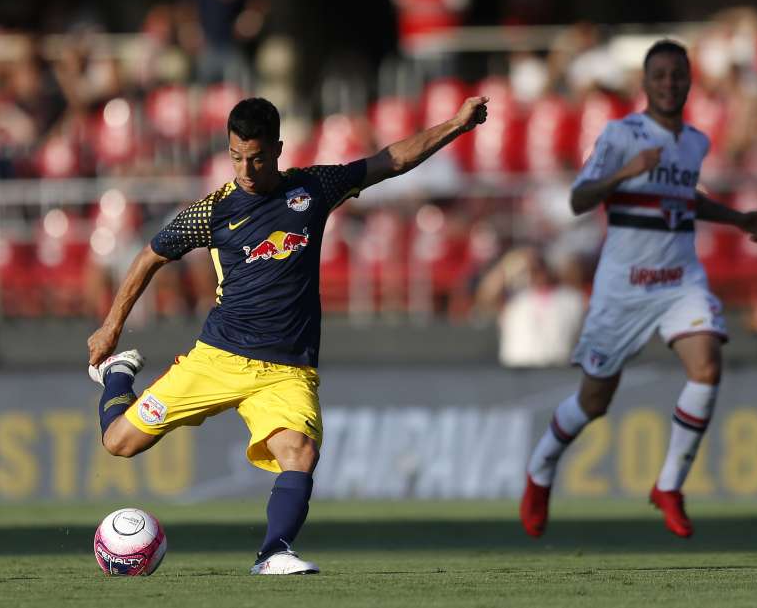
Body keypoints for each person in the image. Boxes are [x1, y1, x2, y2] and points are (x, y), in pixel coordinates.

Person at [86, 95, 489, 574]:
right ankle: (117, 375)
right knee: (119, 443)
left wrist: (457, 125)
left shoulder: (313, 189)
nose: (247, 169)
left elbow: (391, 160)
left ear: (277, 149)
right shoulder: (211, 211)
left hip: (286, 370)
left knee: (300, 453)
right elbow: (150, 255)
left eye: (256, 157)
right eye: (236, 157)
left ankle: (274, 552)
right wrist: (111, 326)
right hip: (217, 357)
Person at [519, 40, 757, 539]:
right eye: (659, 75)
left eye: (678, 75)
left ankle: (669, 485)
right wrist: (625, 173)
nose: (669, 83)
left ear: (689, 81)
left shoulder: (695, 142)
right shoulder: (620, 135)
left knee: (707, 367)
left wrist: (739, 219)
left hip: (680, 278)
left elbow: (684, 201)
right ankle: (540, 469)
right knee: (594, 402)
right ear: (645, 83)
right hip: (623, 287)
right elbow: (578, 199)